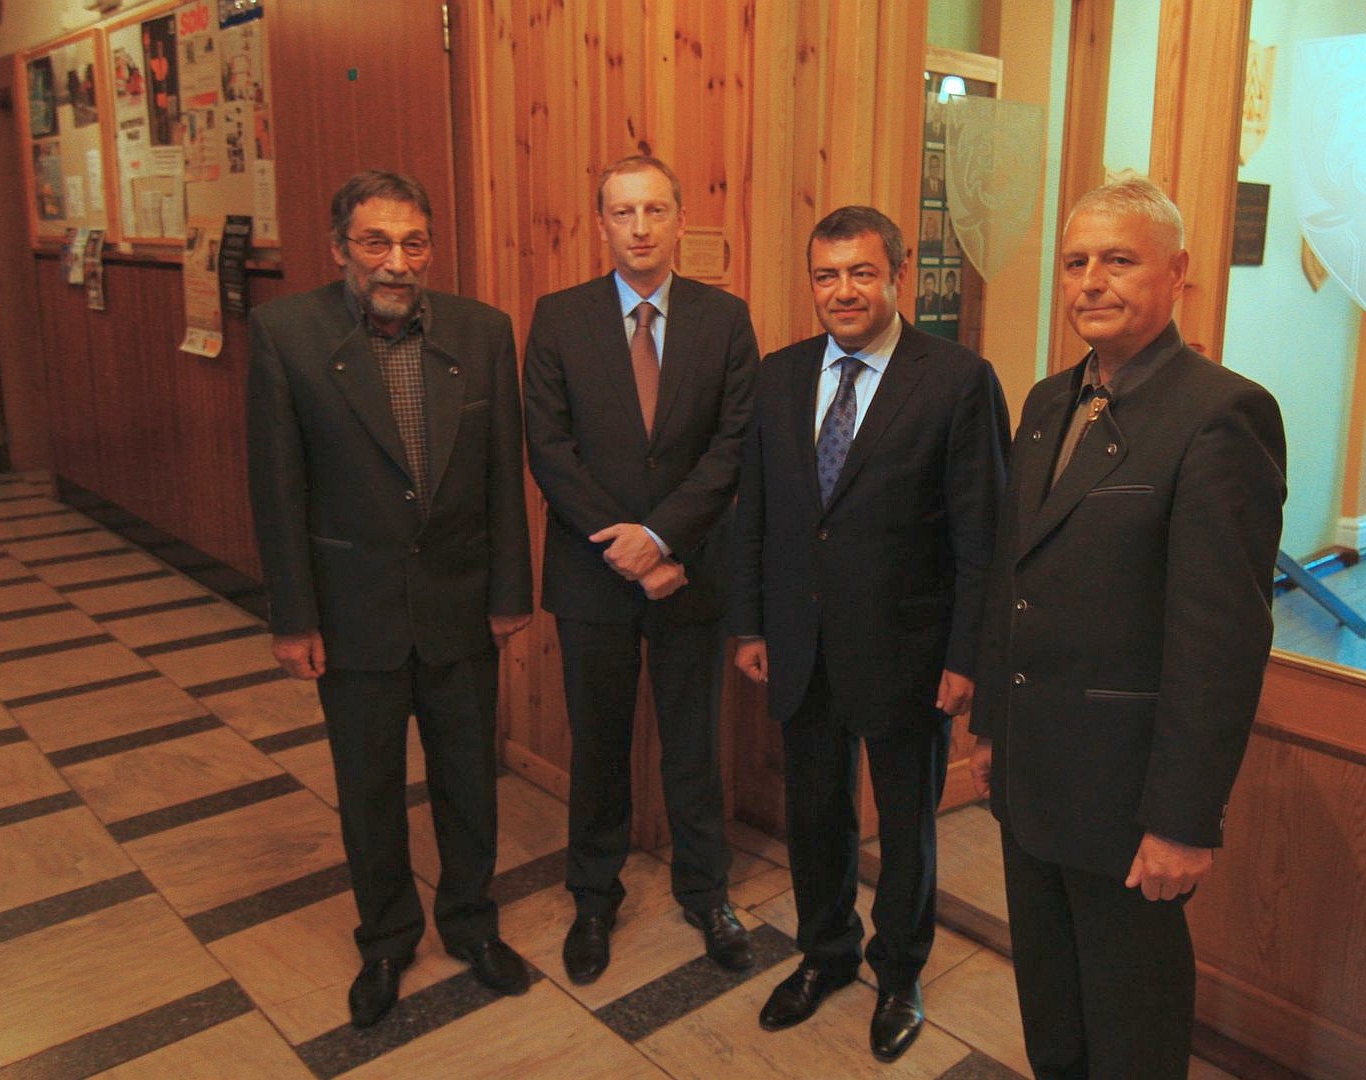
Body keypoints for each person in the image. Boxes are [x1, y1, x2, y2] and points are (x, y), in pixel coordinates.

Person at [970, 175, 1286, 1078]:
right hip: (1032, 772)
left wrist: (1184, 819)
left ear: (1176, 274)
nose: (1092, 282)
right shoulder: (1046, 402)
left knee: (1130, 1026)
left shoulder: (1220, 415)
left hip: (1127, 795)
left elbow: (1219, 642)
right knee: (1053, 1008)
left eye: (1119, 260)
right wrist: (991, 725)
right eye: (1076, 263)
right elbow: (1012, 577)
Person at [246, 170, 533, 1029]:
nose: (396, 262)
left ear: (431, 248)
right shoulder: (286, 334)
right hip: (352, 612)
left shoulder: (483, 332)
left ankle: (471, 924)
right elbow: (277, 488)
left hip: (461, 604)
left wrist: (510, 591)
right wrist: (293, 618)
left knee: (468, 780)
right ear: (340, 248)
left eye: (413, 243)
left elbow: (502, 475)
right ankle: (385, 939)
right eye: (376, 242)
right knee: (368, 788)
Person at [732, 205, 1008, 1063]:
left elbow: (982, 536)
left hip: (909, 652)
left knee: (905, 823)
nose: (842, 291)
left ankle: (899, 972)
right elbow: (756, 514)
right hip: (801, 643)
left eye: (860, 272)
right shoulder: (779, 376)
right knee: (814, 813)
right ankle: (825, 952)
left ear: (897, 274)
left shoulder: (957, 380)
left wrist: (967, 657)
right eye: (827, 275)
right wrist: (750, 624)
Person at [523, 155, 759, 985]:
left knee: (694, 746)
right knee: (598, 745)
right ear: (601, 226)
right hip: (593, 577)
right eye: (623, 212)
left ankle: (707, 893)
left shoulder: (725, 319)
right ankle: (593, 897)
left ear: (680, 219)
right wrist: (627, 551)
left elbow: (734, 445)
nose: (640, 227)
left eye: (655, 209)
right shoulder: (559, 318)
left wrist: (664, 541)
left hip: (690, 572)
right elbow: (549, 448)